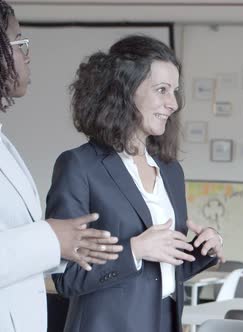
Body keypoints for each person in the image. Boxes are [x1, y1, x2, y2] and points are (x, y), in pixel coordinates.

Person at [46, 35, 224, 332]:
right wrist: (135, 250)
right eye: (162, 90)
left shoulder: (170, 171)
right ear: (126, 91)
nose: (173, 103)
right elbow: (66, 279)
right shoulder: (79, 166)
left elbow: (161, 274)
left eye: (175, 91)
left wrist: (202, 250)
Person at [0, 1, 123, 331]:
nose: (27, 54)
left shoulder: (5, 143)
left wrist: (62, 245)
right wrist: (51, 238)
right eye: (18, 42)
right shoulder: (77, 163)